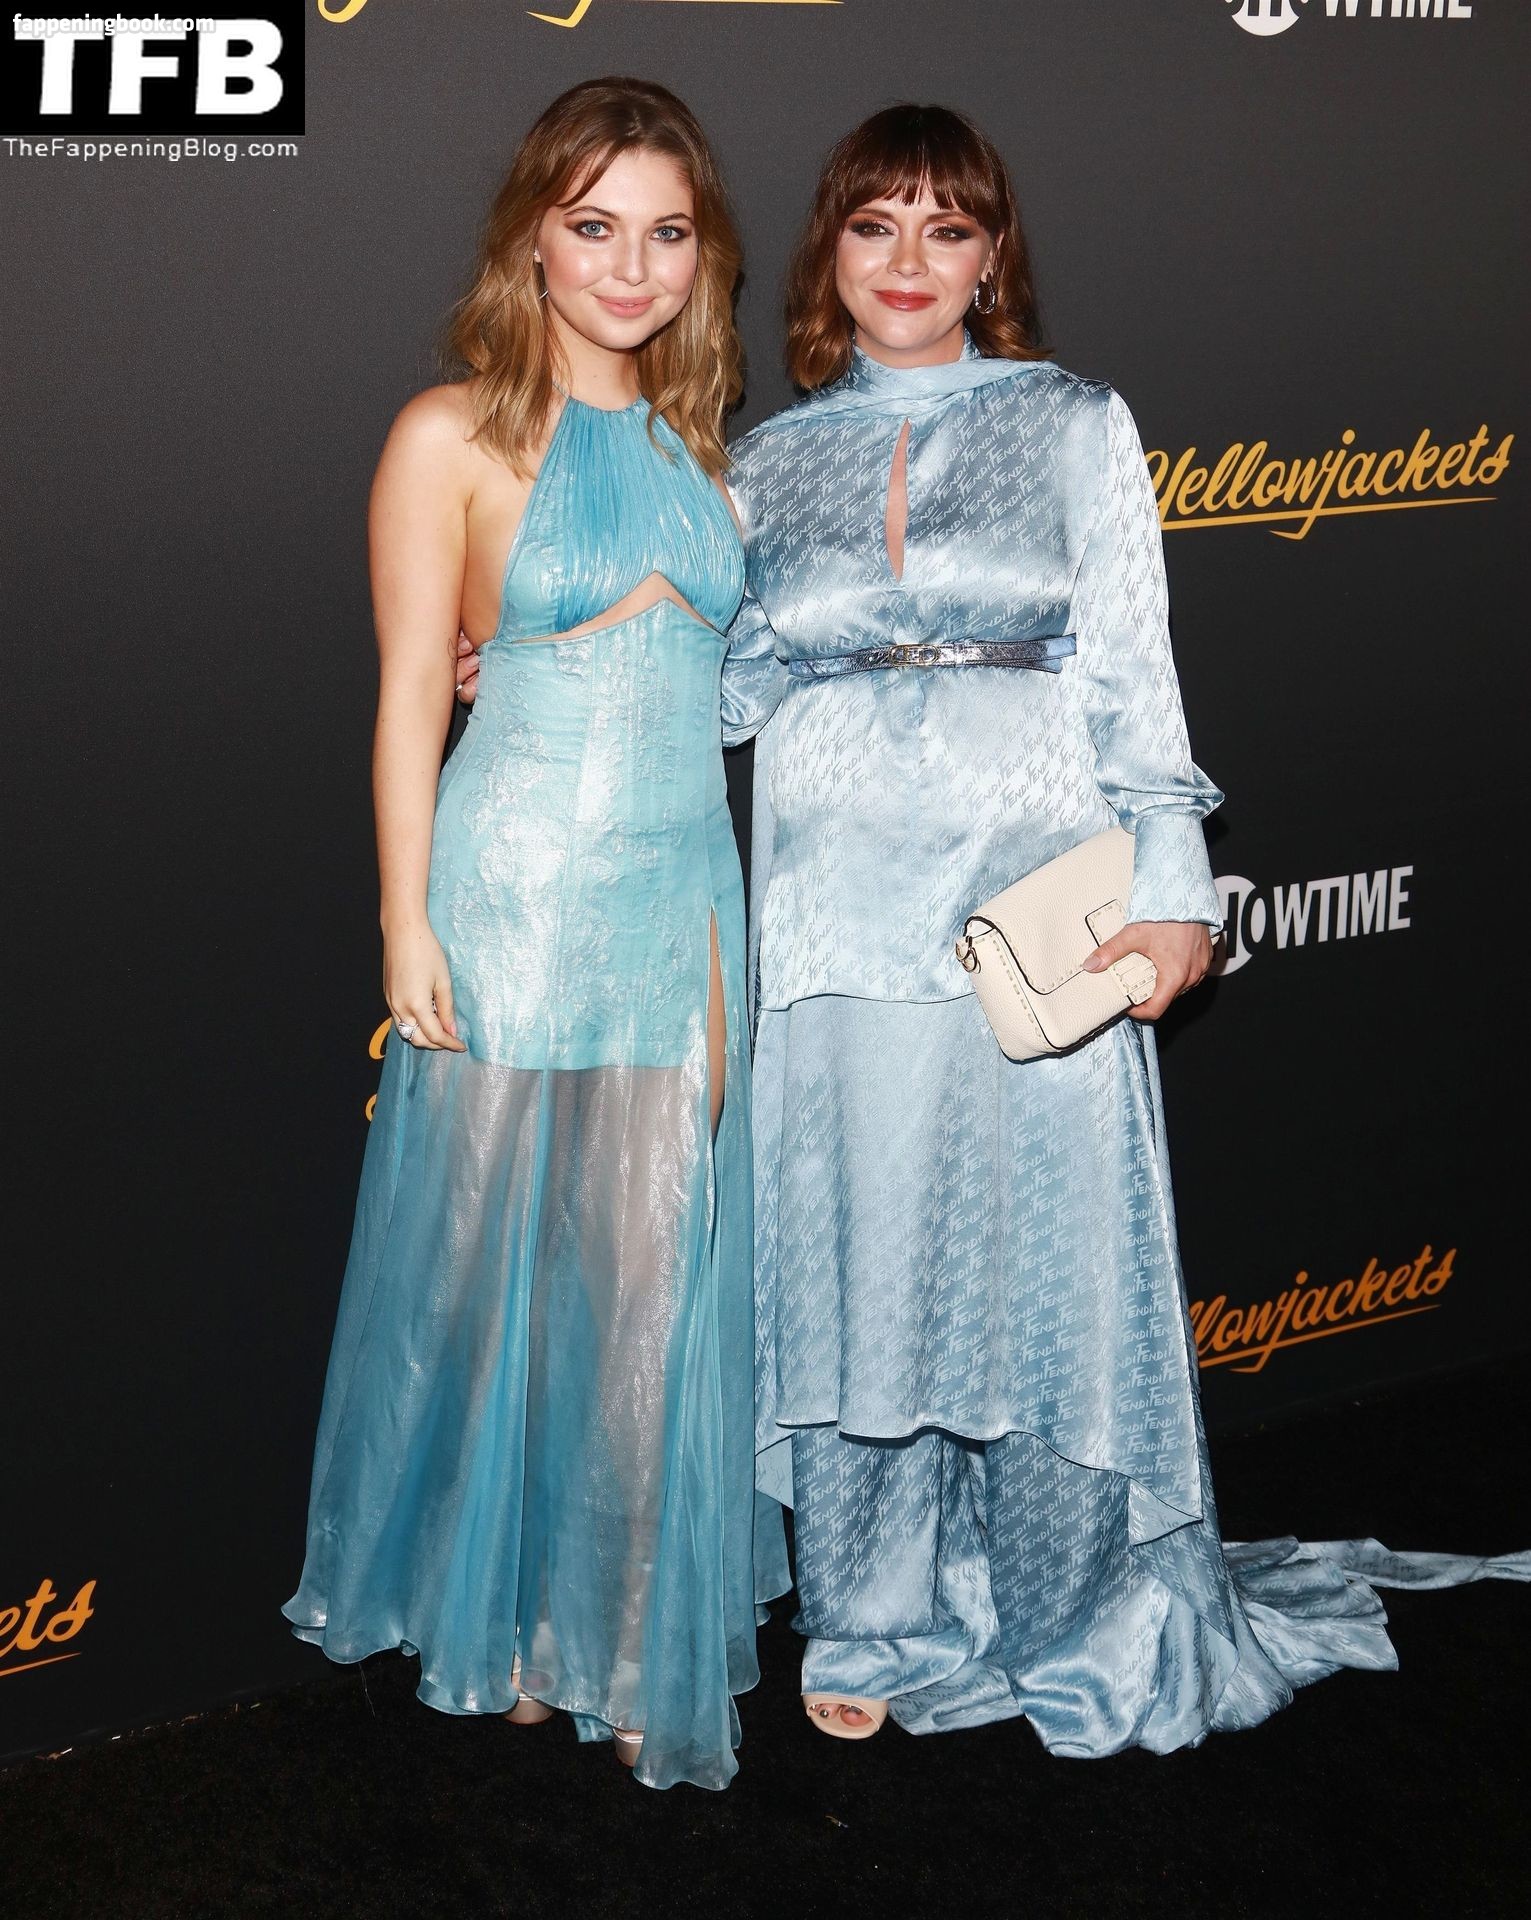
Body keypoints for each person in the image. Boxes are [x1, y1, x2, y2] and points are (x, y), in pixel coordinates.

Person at [718, 103, 1525, 1751]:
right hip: (826, 928)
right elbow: (724, 683)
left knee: (1040, 1274)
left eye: (947, 227)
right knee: (855, 1263)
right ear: (829, 252)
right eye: (875, 225)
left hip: (1031, 908)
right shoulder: (762, 461)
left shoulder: (1076, 421)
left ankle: (1067, 1609)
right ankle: (870, 1613)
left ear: (991, 257)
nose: (909, 261)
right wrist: (551, 663)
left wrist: (1173, 890)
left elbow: (1133, 668)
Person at [283, 77, 771, 1792]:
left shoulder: (708, 452)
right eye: (594, 226)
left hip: (684, 895)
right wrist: (403, 920)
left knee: (653, 1281)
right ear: (533, 241)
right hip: (512, 893)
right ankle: (487, 1625)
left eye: (666, 231)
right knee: (491, 1284)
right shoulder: (449, 436)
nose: (631, 266)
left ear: (702, 256)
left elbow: (717, 683)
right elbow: (412, 694)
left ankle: (621, 1638)